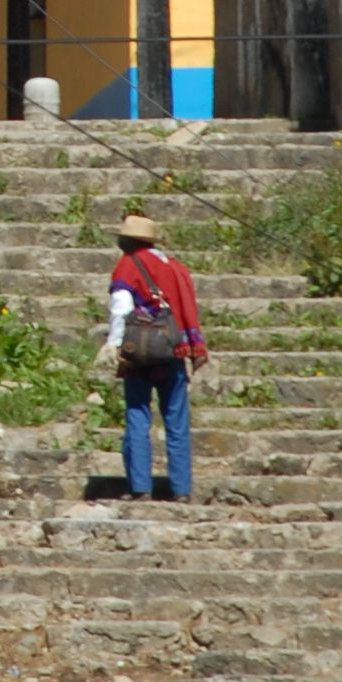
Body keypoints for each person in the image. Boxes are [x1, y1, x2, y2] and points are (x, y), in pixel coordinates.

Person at [104, 207, 206, 503]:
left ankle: (141, 487)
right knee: (176, 419)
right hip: (173, 348)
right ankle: (181, 489)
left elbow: (121, 308)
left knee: (138, 413)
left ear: (127, 241)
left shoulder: (128, 266)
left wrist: (114, 344)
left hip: (141, 351)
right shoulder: (175, 267)